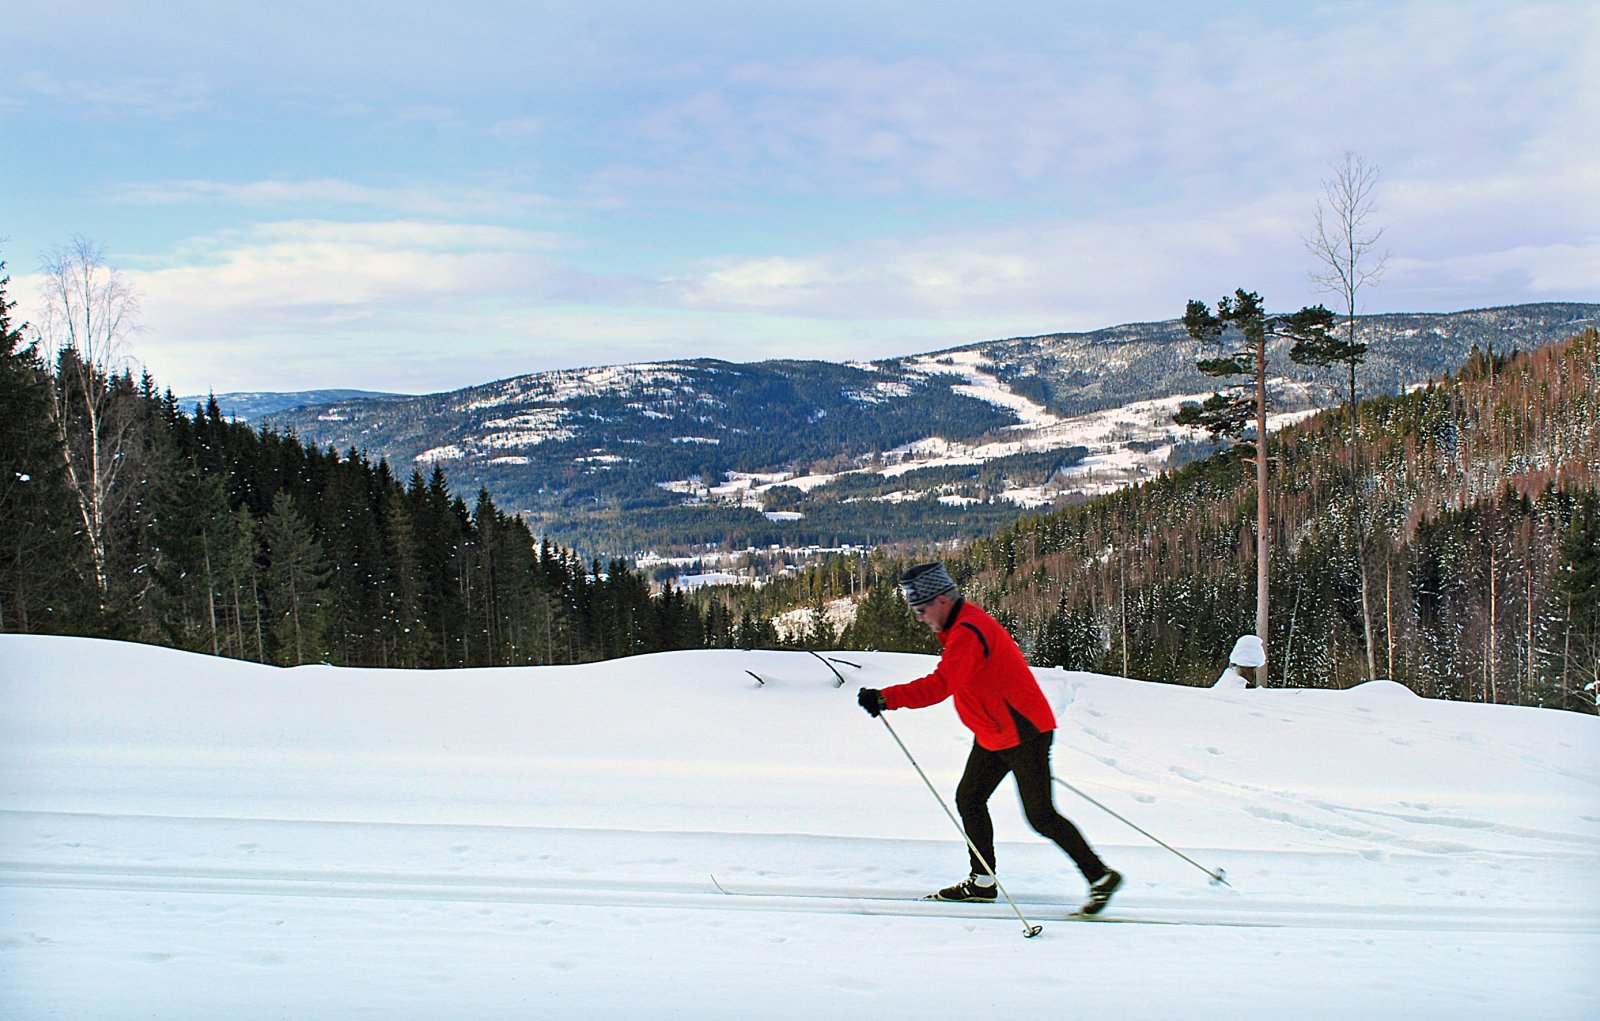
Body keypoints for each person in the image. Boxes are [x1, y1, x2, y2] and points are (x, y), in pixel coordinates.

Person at [857, 561, 1123, 915]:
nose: (920, 617)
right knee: (969, 798)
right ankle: (982, 882)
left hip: (1023, 733)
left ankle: (1100, 876)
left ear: (941, 601)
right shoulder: (959, 627)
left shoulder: (968, 631)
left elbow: (941, 685)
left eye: (921, 609)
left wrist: (886, 698)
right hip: (994, 735)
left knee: (1041, 815)